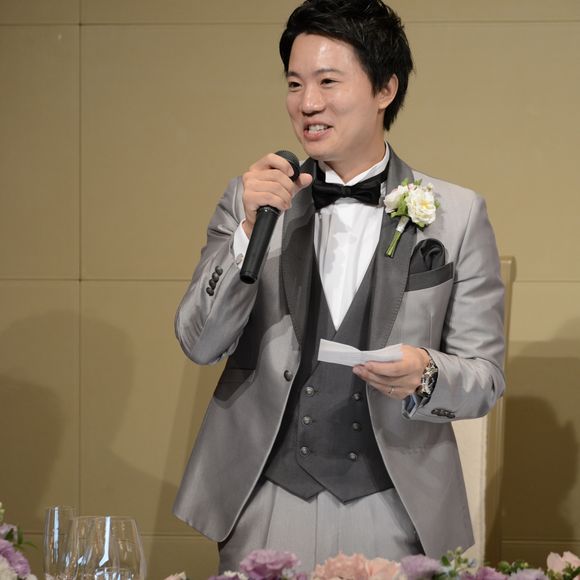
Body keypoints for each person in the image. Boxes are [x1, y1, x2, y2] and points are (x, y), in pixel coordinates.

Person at [173, 0, 505, 573]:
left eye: (328, 81)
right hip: (263, 497)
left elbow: (485, 375)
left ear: (385, 89)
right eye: (294, 83)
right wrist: (247, 232)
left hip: (394, 502)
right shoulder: (253, 200)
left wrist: (426, 372)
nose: (308, 103)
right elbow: (199, 343)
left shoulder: (456, 214)